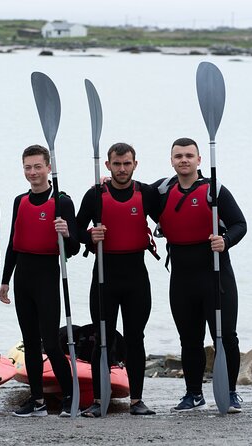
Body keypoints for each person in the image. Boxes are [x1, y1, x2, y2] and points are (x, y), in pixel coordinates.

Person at [152, 137, 247, 414]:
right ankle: (193, 394)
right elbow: (128, 192)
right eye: (178, 156)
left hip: (215, 275)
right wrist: (105, 184)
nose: (184, 160)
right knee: (189, 338)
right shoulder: (160, 191)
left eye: (189, 156)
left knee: (225, 336)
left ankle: (229, 392)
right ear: (171, 160)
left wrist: (226, 240)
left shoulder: (214, 190)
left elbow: (240, 223)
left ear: (199, 160)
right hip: (181, 277)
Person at [75, 142, 159, 417]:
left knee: (136, 338)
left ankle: (137, 400)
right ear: (108, 165)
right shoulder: (95, 195)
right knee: (103, 339)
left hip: (136, 278)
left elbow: (171, 210)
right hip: (104, 277)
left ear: (135, 164)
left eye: (127, 163)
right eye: (117, 164)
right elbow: (74, 233)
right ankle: (99, 401)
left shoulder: (146, 193)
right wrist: (89, 236)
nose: (122, 169)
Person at [0, 144, 79, 417]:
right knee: (30, 342)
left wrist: (67, 233)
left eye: (37, 166)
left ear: (48, 168)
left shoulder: (62, 202)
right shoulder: (19, 201)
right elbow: (13, 242)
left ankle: (70, 396)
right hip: (23, 278)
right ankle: (37, 401)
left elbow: (75, 249)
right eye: (27, 167)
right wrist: (4, 280)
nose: (32, 172)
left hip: (47, 277)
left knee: (52, 343)